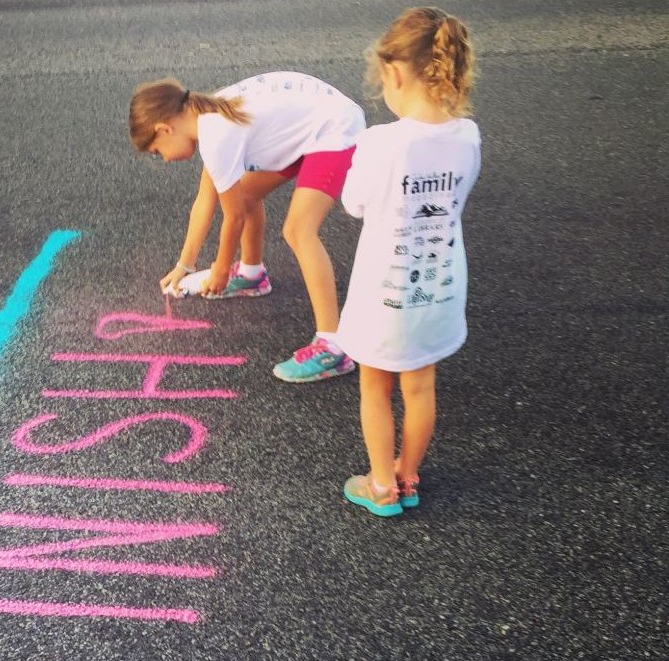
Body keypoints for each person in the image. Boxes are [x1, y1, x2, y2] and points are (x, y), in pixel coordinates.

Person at [128, 71, 366, 383]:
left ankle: (332, 346)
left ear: (164, 128)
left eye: (157, 152)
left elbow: (234, 216)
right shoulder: (205, 115)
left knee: (298, 230)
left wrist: (221, 269)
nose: (164, 159)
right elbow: (205, 200)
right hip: (306, 128)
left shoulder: (216, 134)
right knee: (248, 192)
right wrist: (184, 264)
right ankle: (252, 275)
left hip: (334, 130)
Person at [338, 7, 479, 516]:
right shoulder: (468, 135)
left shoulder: (382, 142)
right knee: (420, 386)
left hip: (386, 291)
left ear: (394, 73)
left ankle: (379, 486)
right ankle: (408, 475)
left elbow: (354, 203)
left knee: (375, 386)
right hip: (439, 285)